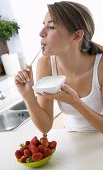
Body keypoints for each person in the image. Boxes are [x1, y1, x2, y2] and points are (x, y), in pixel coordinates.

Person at [15, 1, 103, 134]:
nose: (41, 33)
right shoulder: (45, 64)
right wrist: (28, 96)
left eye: (51, 27)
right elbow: (45, 127)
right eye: (43, 25)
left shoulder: (100, 66)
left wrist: (76, 102)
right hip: (72, 139)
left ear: (77, 36)